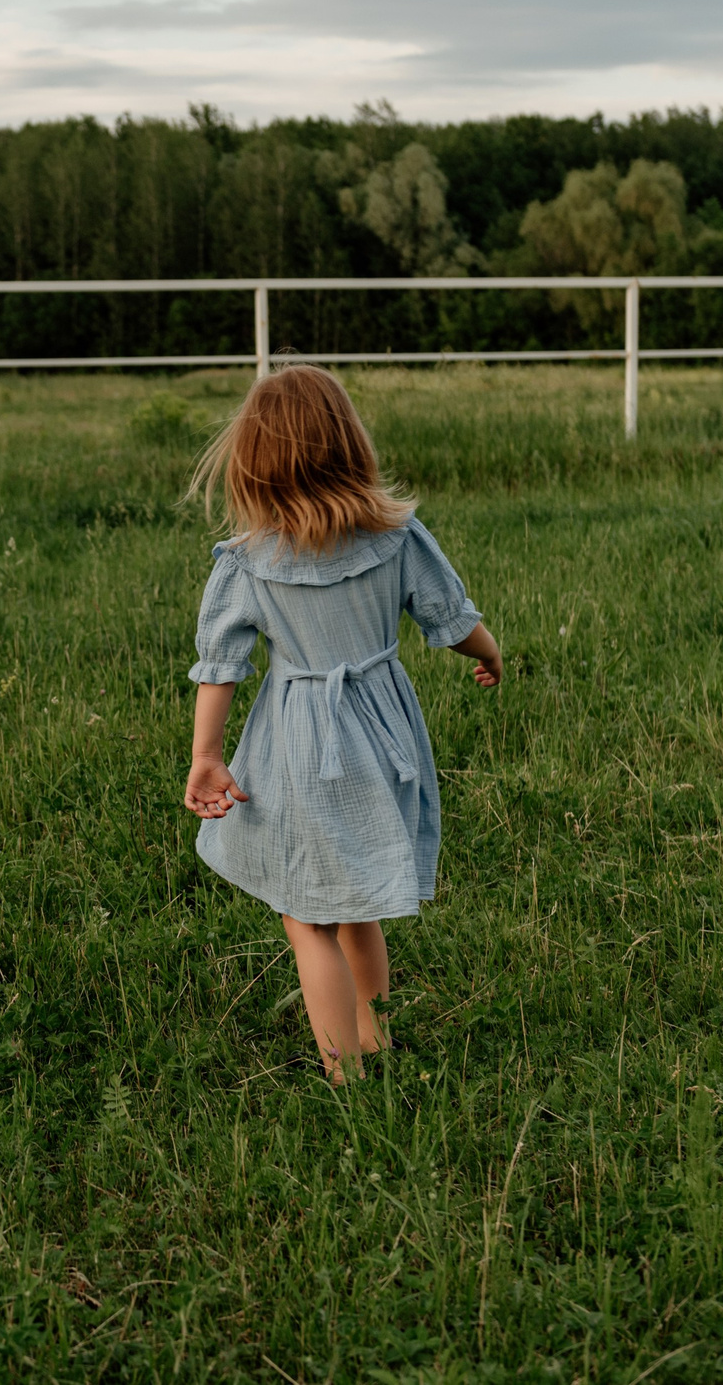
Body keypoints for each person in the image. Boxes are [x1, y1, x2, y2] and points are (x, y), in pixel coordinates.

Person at [182, 364, 502, 1082]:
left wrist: (207, 753)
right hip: (384, 730)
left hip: (302, 741)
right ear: (350, 443)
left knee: (308, 915)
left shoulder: (250, 561)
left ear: (254, 460)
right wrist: (491, 653)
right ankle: (377, 1037)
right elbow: (452, 618)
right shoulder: (396, 535)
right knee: (357, 902)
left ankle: (344, 1069)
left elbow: (221, 665)